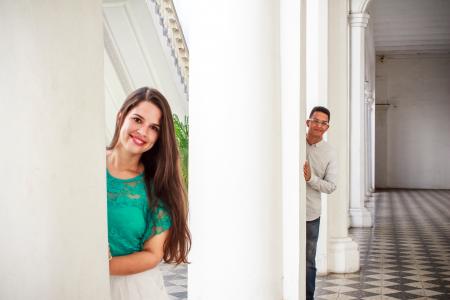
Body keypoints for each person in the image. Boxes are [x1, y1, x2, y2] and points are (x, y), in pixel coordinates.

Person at [106, 87, 191, 300]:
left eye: (154, 127)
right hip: (71, 279)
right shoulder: (85, 161)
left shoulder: (158, 186)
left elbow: (152, 254)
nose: (143, 132)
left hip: (130, 289)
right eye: (137, 120)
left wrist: (96, 267)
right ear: (120, 117)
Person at [303, 106, 337, 300]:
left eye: (323, 123)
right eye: (315, 121)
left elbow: (332, 186)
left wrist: (311, 179)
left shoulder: (329, 152)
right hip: (287, 212)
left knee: (308, 262)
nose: (319, 125)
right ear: (308, 122)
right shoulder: (294, 142)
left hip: (310, 214)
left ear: (327, 127)